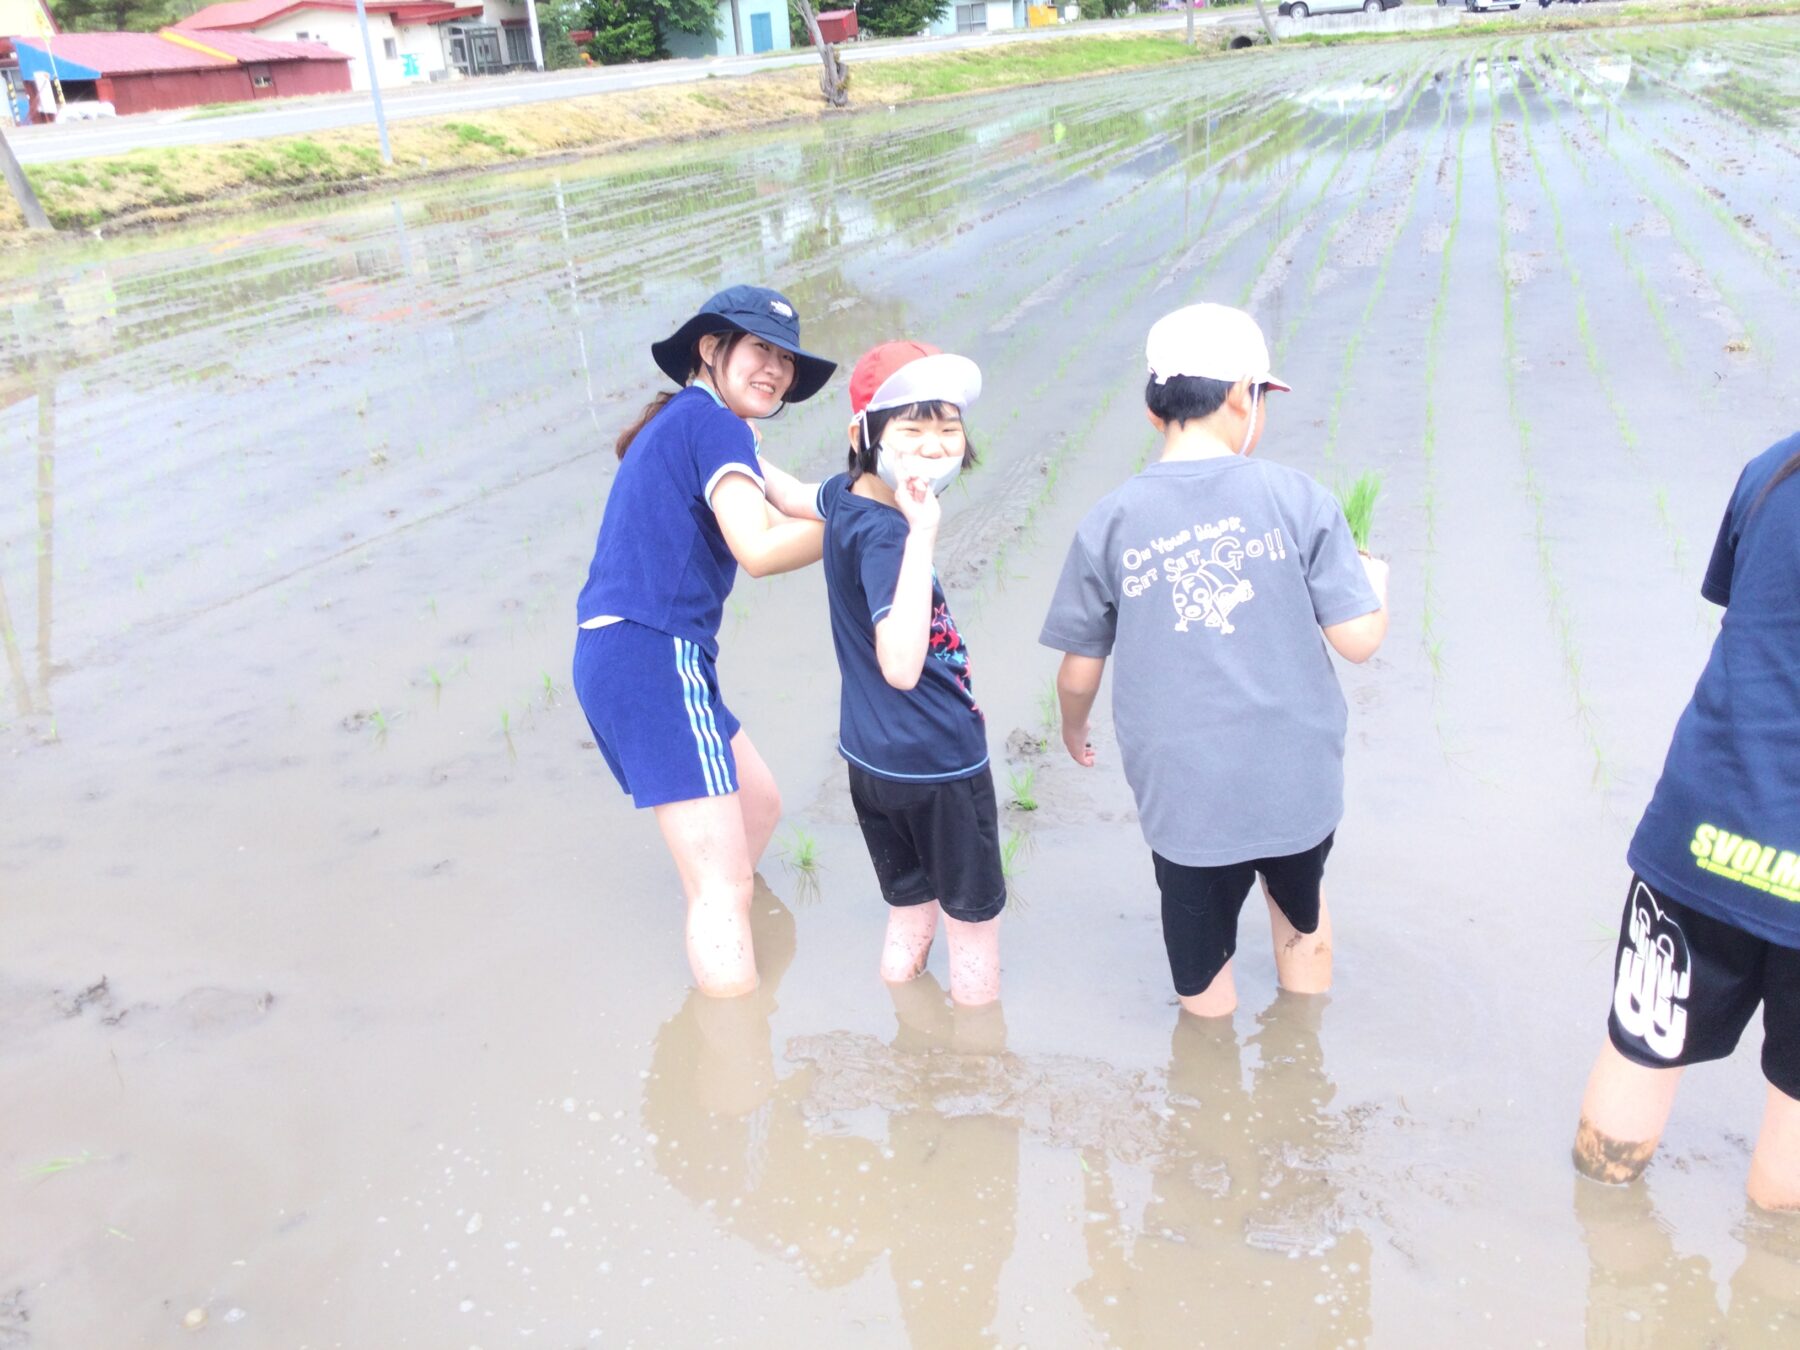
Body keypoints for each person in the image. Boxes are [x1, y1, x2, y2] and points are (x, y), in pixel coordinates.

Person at [1038, 303, 1389, 1018]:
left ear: (1152, 410)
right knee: (1302, 918)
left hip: (1185, 790)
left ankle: (1210, 1092)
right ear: (1241, 395)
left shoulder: (1109, 521)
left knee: (1200, 962)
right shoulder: (1297, 498)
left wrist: (1072, 731)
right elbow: (1359, 640)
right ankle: (1302, 1052)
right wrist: (1374, 581)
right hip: (1295, 773)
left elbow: (1079, 671)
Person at [573, 285, 835, 998]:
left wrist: (871, 493)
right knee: (722, 888)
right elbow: (756, 546)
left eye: (785, 358)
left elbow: (799, 496)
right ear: (710, 350)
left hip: (629, 651)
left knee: (758, 805)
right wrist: (859, 531)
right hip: (654, 651)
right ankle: (734, 1067)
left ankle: (721, 937)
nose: (776, 370)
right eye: (760, 350)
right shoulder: (711, 426)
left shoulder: (703, 422)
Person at [1574, 434, 1800, 1211]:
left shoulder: (1776, 467)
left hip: (1703, 828)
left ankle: (1600, 1281)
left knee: (1640, 1046)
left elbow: (1754, 619)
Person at [815, 341, 1005, 1006]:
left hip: (872, 762)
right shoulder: (894, 535)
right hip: (940, 763)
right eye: (912, 428)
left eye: (948, 429)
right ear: (864, 435)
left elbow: (790, 491)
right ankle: (980, 1056)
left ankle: (908, 1041)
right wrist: (923, 533)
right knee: (972, 927)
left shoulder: (843, 498)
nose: (933, 445)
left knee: (910, 907)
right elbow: (900, 665)